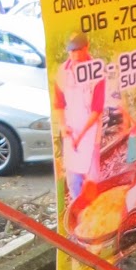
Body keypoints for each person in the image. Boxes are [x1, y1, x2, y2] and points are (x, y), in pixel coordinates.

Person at [52, 33, 106, 201]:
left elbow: (97, 110)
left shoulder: (97, 72)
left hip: (90, 131)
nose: (74, 55)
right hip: (71, 130)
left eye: (77, 50)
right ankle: (78, 213)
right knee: (74, 180)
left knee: (92, 180)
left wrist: (81, 136)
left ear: (86, 47)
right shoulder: (62, 72)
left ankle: (94, 216)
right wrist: (63, 126)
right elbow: (59, 104)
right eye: (71, 51)